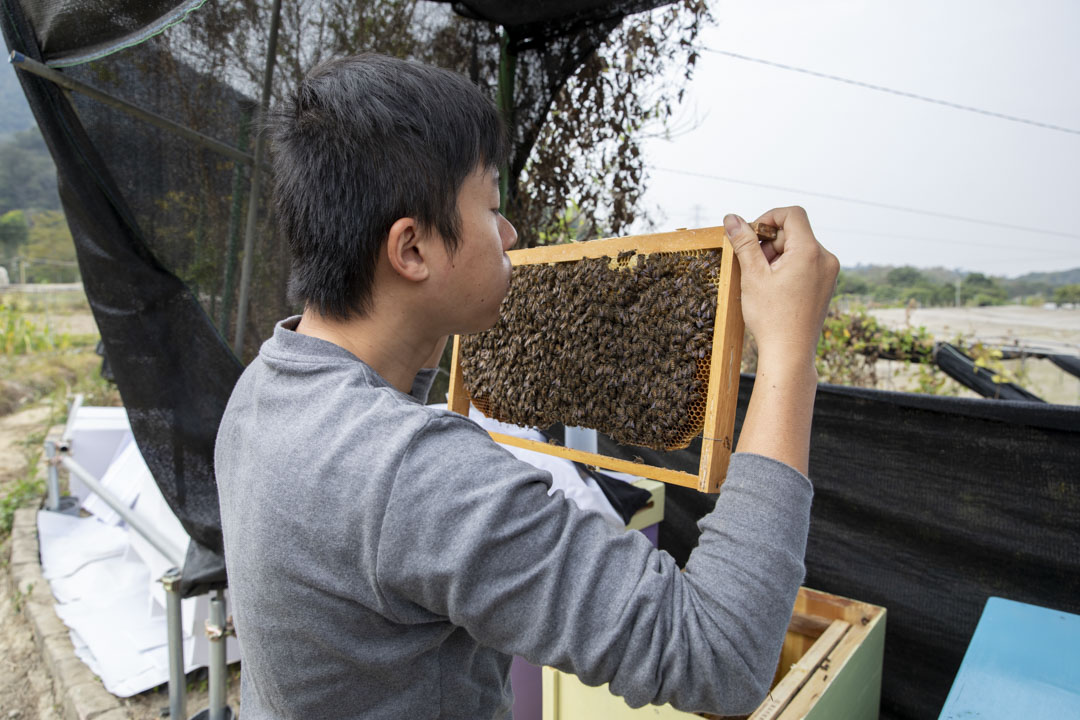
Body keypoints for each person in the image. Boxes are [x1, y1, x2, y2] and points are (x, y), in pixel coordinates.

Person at [215, 54, 839, 720]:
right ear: (413, 250)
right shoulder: (415, 475)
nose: (510, 234)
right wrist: (790, 352)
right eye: (490, 206)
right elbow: (722, 656)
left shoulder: (261, 388)